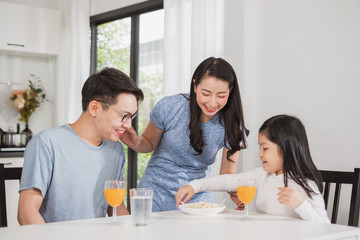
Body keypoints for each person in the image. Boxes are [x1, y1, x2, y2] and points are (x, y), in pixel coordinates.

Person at [120, 57, 248, 211]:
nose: (212, 103)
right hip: (156, 193)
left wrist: (232, 190)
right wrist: (135, 142)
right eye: (205, 93)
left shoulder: (232, 125)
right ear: (195, 86)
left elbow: (227, 173)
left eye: (221, 96)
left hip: (198, 197)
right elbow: (148, 142)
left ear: (230, 91)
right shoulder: (170, 107)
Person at [17, 67, 144, 224]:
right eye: (124, 116)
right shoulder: (46, 143)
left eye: (132, 117)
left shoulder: (115, 150)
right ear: (94, 108)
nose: (129, 125)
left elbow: (116, 207)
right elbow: (26, 213)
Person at [175, 115, 330, 223]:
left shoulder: (305, 184)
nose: (260, 154)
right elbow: (229, 181)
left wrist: (301, 205)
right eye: (259, 148)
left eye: (265, 148)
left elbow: (325, 226)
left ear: (286, 149)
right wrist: (195, 185)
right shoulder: (264, 174)